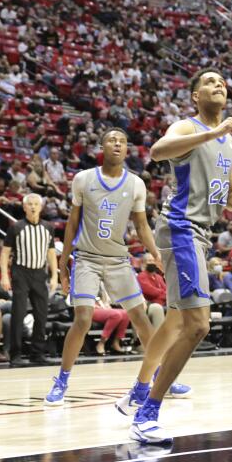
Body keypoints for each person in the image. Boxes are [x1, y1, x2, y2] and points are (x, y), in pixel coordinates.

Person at [128, 69, 232, 445]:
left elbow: (230, 198)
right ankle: (147, 412)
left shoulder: (228, 145)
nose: (219, 86)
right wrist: (215, 132)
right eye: (211, 83)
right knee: (198, 325)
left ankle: (141, 395)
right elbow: (156, 151)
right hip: (180, 226)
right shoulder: (187, 128)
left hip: (200, 233)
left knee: (184, 322)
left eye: (223, 83)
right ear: (196, 96)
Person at [44, 128, 166, 405]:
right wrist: (64, 266)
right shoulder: (83, 179)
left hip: (118, 261)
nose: (117, 144)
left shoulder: (136, 184)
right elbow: (72, 223)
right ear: (102, 146)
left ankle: (160, 375)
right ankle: (62, 379)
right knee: (84, 318)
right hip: (86, 258)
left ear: (127, 150)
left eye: (122, 141)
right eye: (112, 140)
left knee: (142, 318)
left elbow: (142, 226)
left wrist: (156, 253)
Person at [0, 194, 58, 364]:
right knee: (19, 313)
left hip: (40, 274)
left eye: (36, 204)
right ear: (24, 207)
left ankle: (37, 354)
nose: (33, 207)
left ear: (41, 207)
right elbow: (5, 253)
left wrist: (54, 275)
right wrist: (4, 275)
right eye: (30, 204)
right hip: (21, 273)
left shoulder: (48, 227)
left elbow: (51, 254)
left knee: (41, 314)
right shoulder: (16, 227)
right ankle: (16, 355)